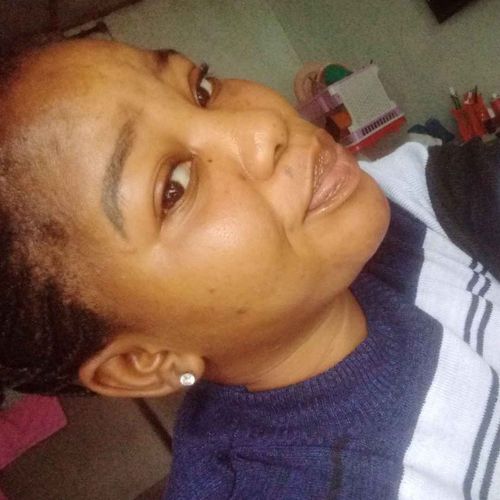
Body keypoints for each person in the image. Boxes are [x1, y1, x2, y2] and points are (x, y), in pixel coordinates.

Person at [0, 39, 498, 499]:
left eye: (201, 89)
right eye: (173, 187)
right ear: (143, 362)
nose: (263, 126)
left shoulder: (408, 195)